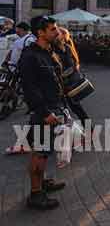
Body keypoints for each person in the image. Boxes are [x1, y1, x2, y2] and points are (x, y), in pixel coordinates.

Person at [20, 16, 66, 210]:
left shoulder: (48, 51)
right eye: (53, 29)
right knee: (39, 152)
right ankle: (36, 194)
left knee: (45, 151)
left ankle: (43, 182)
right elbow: (30, 89)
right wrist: (44, 112)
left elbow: (55, 78)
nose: (57, 32)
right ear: (40, 32)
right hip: (43, 113)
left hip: (53, 107)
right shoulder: (30, 56)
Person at [54, 27, 91, 126]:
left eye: (57, 33)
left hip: (68, 85)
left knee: (76, 108)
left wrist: (62, 75)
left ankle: (89, 129)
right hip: (61, 85)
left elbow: (73, 65)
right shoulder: (54, 48)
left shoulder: (67, 48)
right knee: (68, 108)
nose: (55, 34)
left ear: (62, 36)